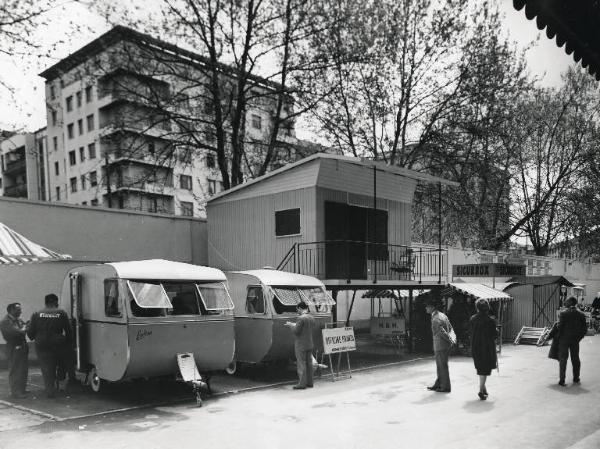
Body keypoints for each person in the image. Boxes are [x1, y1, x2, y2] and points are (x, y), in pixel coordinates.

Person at [27, 294, 72, 398]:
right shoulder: (61, 312)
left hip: (42, 344)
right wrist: (68, 342)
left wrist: (34, 337)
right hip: (58, 343)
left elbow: (30, 332)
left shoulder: (37, 313)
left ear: (45, 302)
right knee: (62, 362)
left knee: (46, 367)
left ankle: (50, 391)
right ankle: (60, 376)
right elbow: (68, 330)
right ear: (56, 302)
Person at [469, 298, 498, 400]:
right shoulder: (491, 321)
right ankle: (481, 390)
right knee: (484, 370)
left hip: (475, 347)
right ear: (487, 308)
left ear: (477, 307)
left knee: (480, 368)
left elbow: (472, 332)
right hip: (487, 348)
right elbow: (494, 336)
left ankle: (484, 389)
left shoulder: (472, 319)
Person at [556, 296, 587, 386]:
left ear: (571, 302)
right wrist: (579, 338)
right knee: (575, 359)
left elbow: (560, 328)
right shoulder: (581, 314)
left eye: (567, 301)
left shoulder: (563, 313)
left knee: (563, 360)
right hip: (575, 341)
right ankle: (576, 378)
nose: (565, 302)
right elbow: (584, 329)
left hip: (564, 340)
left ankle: (562, 380)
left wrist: (558, 329)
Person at [284, 301, 316, 390]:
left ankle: (302, 384)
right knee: (309, 364)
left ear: (300, 308)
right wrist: (295, 325)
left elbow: (296, 331)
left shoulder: (301, 318)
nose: (297, 311)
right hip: (309, 343)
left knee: (301, 364)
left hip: (301, 344)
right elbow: (307, 328)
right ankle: (310, 382)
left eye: (297, 309)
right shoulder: (311, 317)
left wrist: (290, 325)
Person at [425, 298, 454, 393]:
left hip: (440, 345)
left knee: (442, 366)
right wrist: (452, 339)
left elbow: (442, 332)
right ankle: (439, 383)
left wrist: (450, 340)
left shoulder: (436, 319)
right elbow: (450, 328)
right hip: (443, 345)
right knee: (440, 365)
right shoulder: (442, 315)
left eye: (427, 306)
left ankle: (445, 387)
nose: (426, 308)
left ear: (432, 307)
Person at [0, 303, 29, 399]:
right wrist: (24, 328)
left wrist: (24, 328)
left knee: (23, 369)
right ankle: (16, 391)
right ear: (11, 310)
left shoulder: (17, 320)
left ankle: (22, 389)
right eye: (18, 310)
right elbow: (19, 332)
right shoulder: (6, 321)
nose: (20, 311)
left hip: (22, 345)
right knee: (15, 369)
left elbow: (24, 328)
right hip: (13, 346)